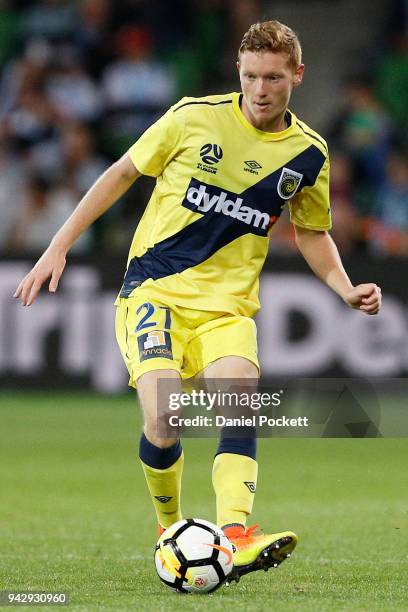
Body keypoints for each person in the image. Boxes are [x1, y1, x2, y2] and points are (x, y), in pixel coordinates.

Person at [14, 20, 382, 584]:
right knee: (164, 418)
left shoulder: (308, 153)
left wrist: (343, 286)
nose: (261, 89)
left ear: (297, 77)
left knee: (238, 401)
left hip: (228, 308)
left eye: (275, 78)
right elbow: (120, 173)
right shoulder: (192, 117)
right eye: (252, 76)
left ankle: (235, 535)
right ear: (239, 70)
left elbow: (311, 231)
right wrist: (58, 246)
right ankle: (169, 527)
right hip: (154, 291)